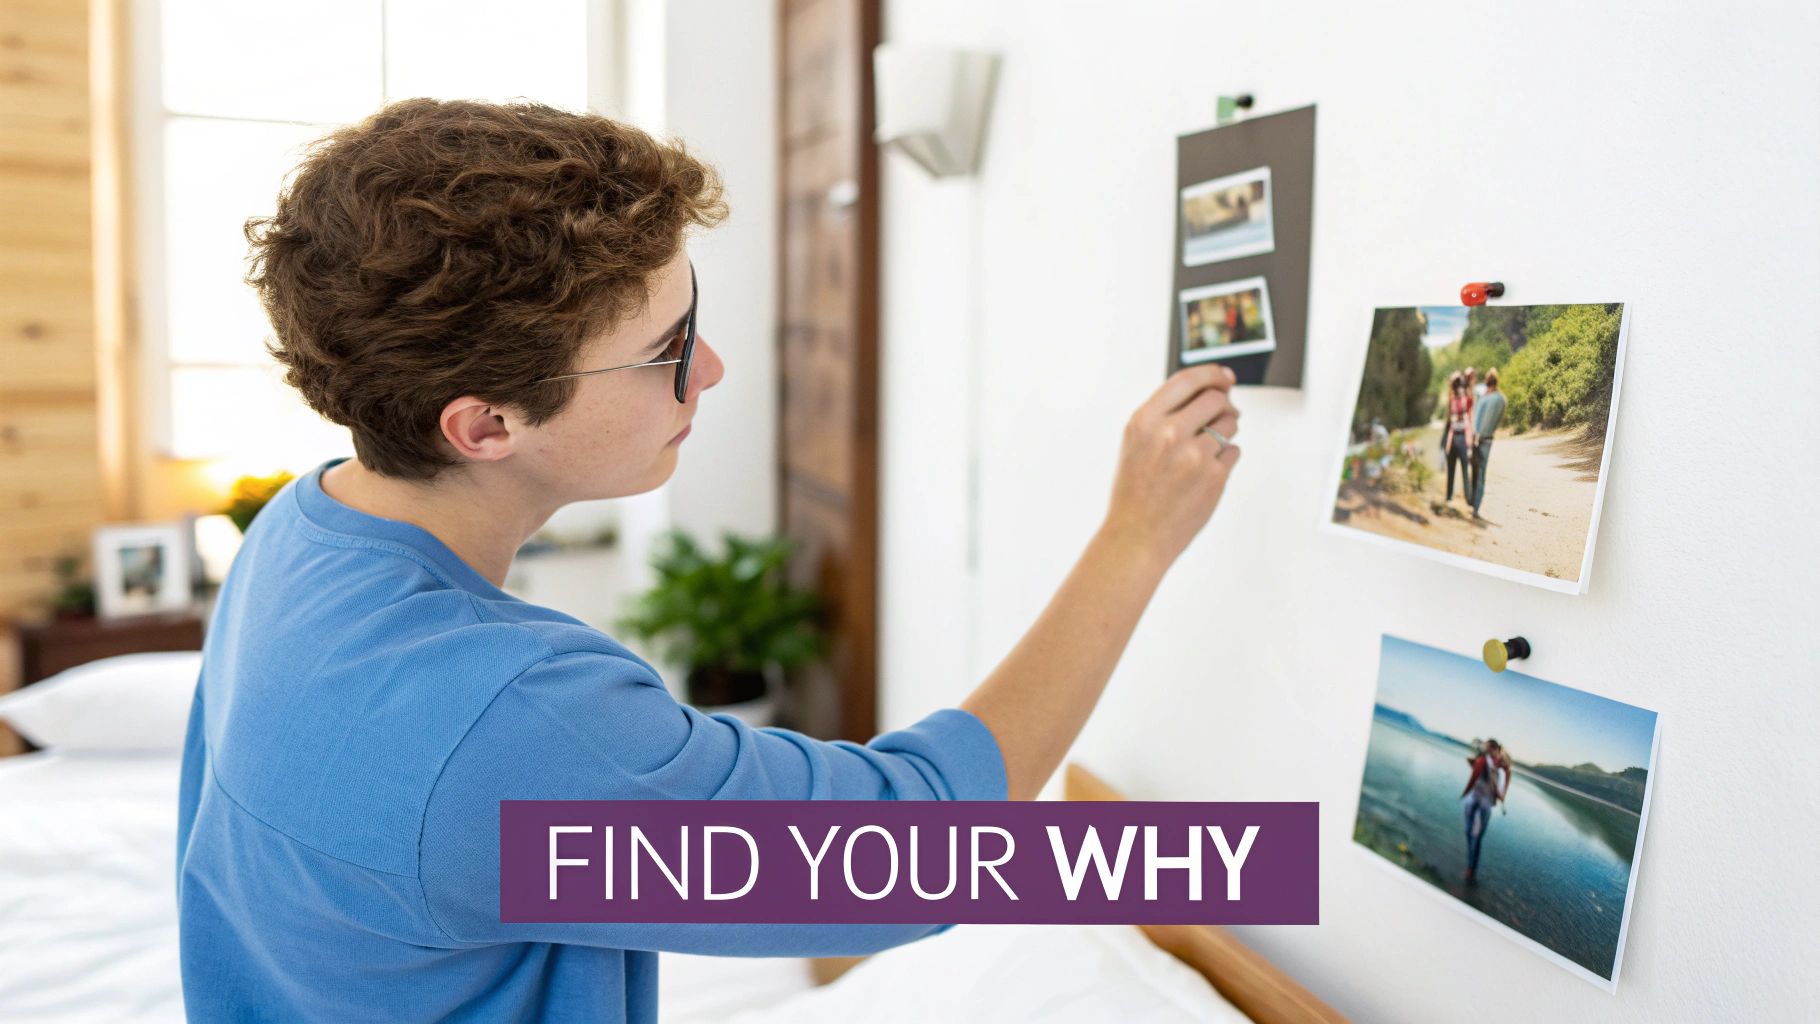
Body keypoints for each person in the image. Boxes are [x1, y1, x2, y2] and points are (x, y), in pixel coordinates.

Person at [173, 98, 1244, 1022]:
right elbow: (918, 848)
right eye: (667, 352)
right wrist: (1136, 537)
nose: (712, 368)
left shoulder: (303, 528)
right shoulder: (507, 718)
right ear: (485, 426)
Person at [1459, 738, 1511, 883]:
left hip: (1485, 806)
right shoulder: (1482, 760)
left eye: (1488, 747)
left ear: (1495, 750)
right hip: (1472, 800)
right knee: (1467, 832)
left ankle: (1471, 868)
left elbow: (1501, 795)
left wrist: (1500, 792)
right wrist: (1476, 762)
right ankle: (1471, 864)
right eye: (1485, 747)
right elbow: (1471, 763)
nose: (1486, 749)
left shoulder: (1499, 773)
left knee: (1477, 838)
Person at [1470, 368, 1507, 518]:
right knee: (1481, 473)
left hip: (1475, 438)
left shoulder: (1482, 397)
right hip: (1488, 439)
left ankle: (1471, 501)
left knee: (1472, 470)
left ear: (1486, 382)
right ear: (1496, 382)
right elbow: (1498, 421)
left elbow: (1475, 418)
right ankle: (1476, 508)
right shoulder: (1501, 399)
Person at [1441, 373, 1475, 506]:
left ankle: (1469, 499)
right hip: (1452, 437)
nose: (1458, 388)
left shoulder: (1467, 399)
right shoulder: (1451, 399)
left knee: (1465, 470)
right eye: (1457, 385)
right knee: (1450, 470)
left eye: (1460, 385)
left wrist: (1465, 381)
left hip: (1463, 437)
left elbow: (1470, 392)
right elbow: (1448, 422)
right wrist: (1446, 444)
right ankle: (1449, 497)